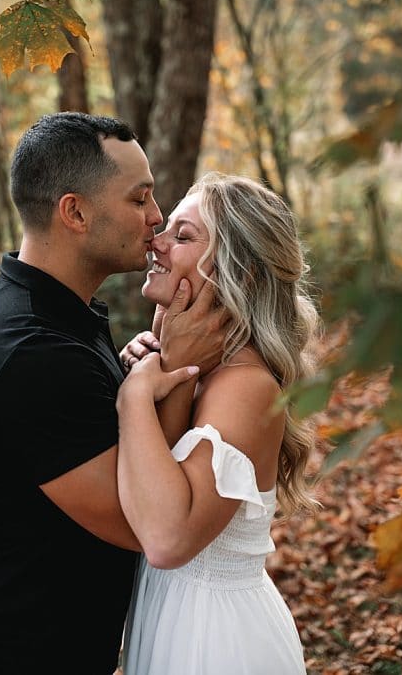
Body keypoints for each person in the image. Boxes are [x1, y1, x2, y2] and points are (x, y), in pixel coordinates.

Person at [0, 113, 223, 675]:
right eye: (140, 199)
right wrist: (181, 367)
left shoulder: (57, 315)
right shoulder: (33, 353)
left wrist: (144, 380)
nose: (156, 219)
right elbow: (142, 524)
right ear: (75, 212)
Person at [115, 173, 319, 674]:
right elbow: (152, 492)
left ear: (240, 273)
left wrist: (135, 398)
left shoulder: (247, 385)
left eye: (183, 237)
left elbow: (165, 539)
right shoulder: (195, 367)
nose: (156, 241)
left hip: (215, 639)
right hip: (174, 616)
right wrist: (163, 367)